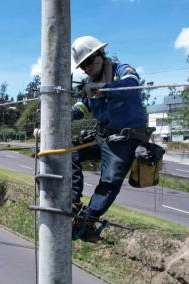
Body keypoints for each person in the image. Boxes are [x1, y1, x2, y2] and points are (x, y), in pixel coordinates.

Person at [70, 36, 148, 242]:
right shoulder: (89, 83)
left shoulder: (122, 70)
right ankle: (72, 202)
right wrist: (67, 113)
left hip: (124, 139)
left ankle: (88, 219)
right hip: (103, 135)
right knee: (70, 152)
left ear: (101, 55)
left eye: (88, 62)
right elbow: (82, 106)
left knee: (110, 180)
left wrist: (102, 90)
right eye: (82, 65)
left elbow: (132, 85)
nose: (86, 68)